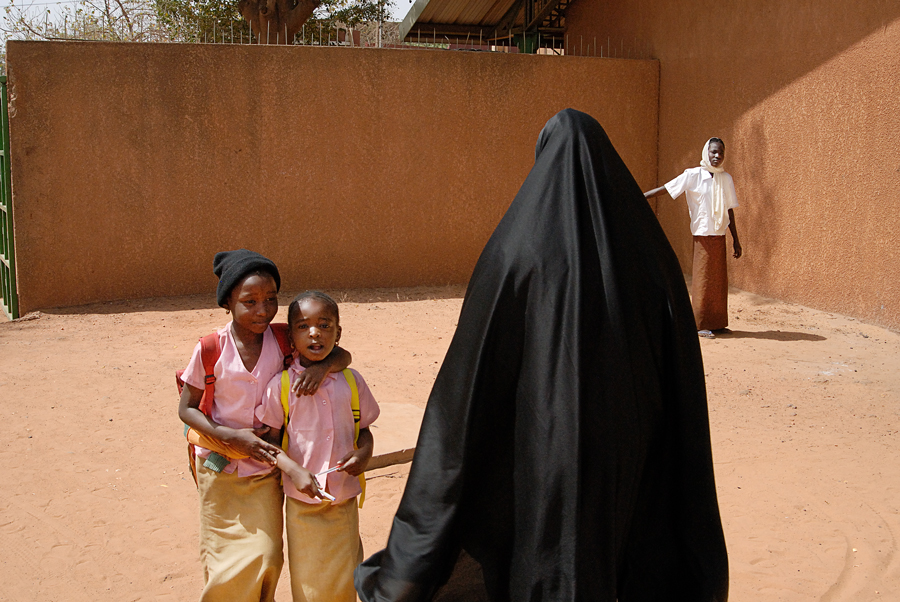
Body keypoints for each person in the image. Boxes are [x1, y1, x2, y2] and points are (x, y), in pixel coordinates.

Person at [355, 109, 728, 602]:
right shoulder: (651, 255)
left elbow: (467, 386)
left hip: (537, 452)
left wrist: (413, 558)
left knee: (545, 551)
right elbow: (681, 374)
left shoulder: (515, 250)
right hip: (629, 452)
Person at [178, 250, 350, 602]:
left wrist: (322, 368)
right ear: (227, 302)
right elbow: (187, 409)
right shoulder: (211, 348)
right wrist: (229, 436)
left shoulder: (285, 339)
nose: (263, 310)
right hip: (220, 466)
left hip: (268, 468)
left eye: (271, 299)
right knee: (227, 562)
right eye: (250, 301)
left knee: (266, 555)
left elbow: (340, 354)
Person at [257, 290, 379, 602]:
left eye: (325, 325)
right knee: (308, 577)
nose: (315, 333)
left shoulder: (352, 382)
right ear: (291, 337)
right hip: (302, 502)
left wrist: (364, 453)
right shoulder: (281, 386)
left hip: (344, 497)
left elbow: (364, 430)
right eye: (303, 326)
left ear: (338, 334)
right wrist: (293, 470)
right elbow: (269, 441)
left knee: (344, 575)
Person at [644, 137, 742, 338]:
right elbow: (667, 188)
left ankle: (717, 322)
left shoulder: (725, 178)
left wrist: (736, 240)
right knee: (703, 280)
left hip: (719, 235)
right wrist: (642, 196)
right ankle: (700, 323)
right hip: (702, 235)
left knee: (718, 282)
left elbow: (729, 210)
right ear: (706, 152)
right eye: (714, 151)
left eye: (721, 152)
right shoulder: (693, 175)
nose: (717, 156)